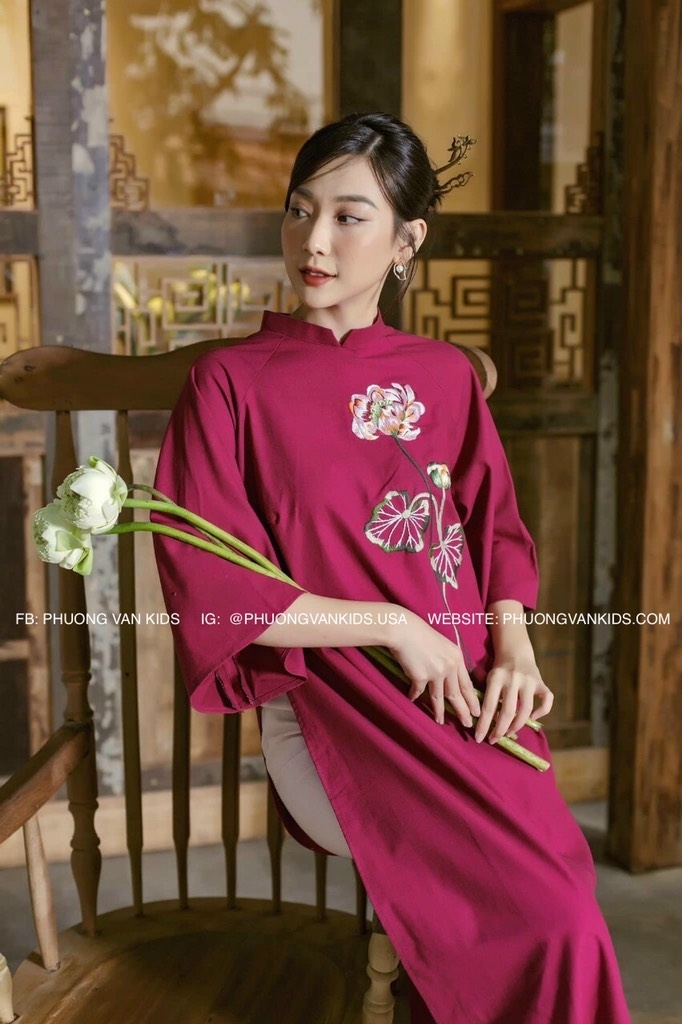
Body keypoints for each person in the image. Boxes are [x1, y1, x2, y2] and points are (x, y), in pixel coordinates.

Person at [153, 112, 630, 1024]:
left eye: (348, 216)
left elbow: (495, 531)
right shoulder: (228, 384)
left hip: (465, 690)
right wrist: (395, 624)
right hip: (336, 700)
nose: (313, 241)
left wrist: (516, 649)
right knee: (538, 912)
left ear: (408, 241)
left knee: (566, 908)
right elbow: (218, 593)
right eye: (299, 211)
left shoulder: (445, 376)